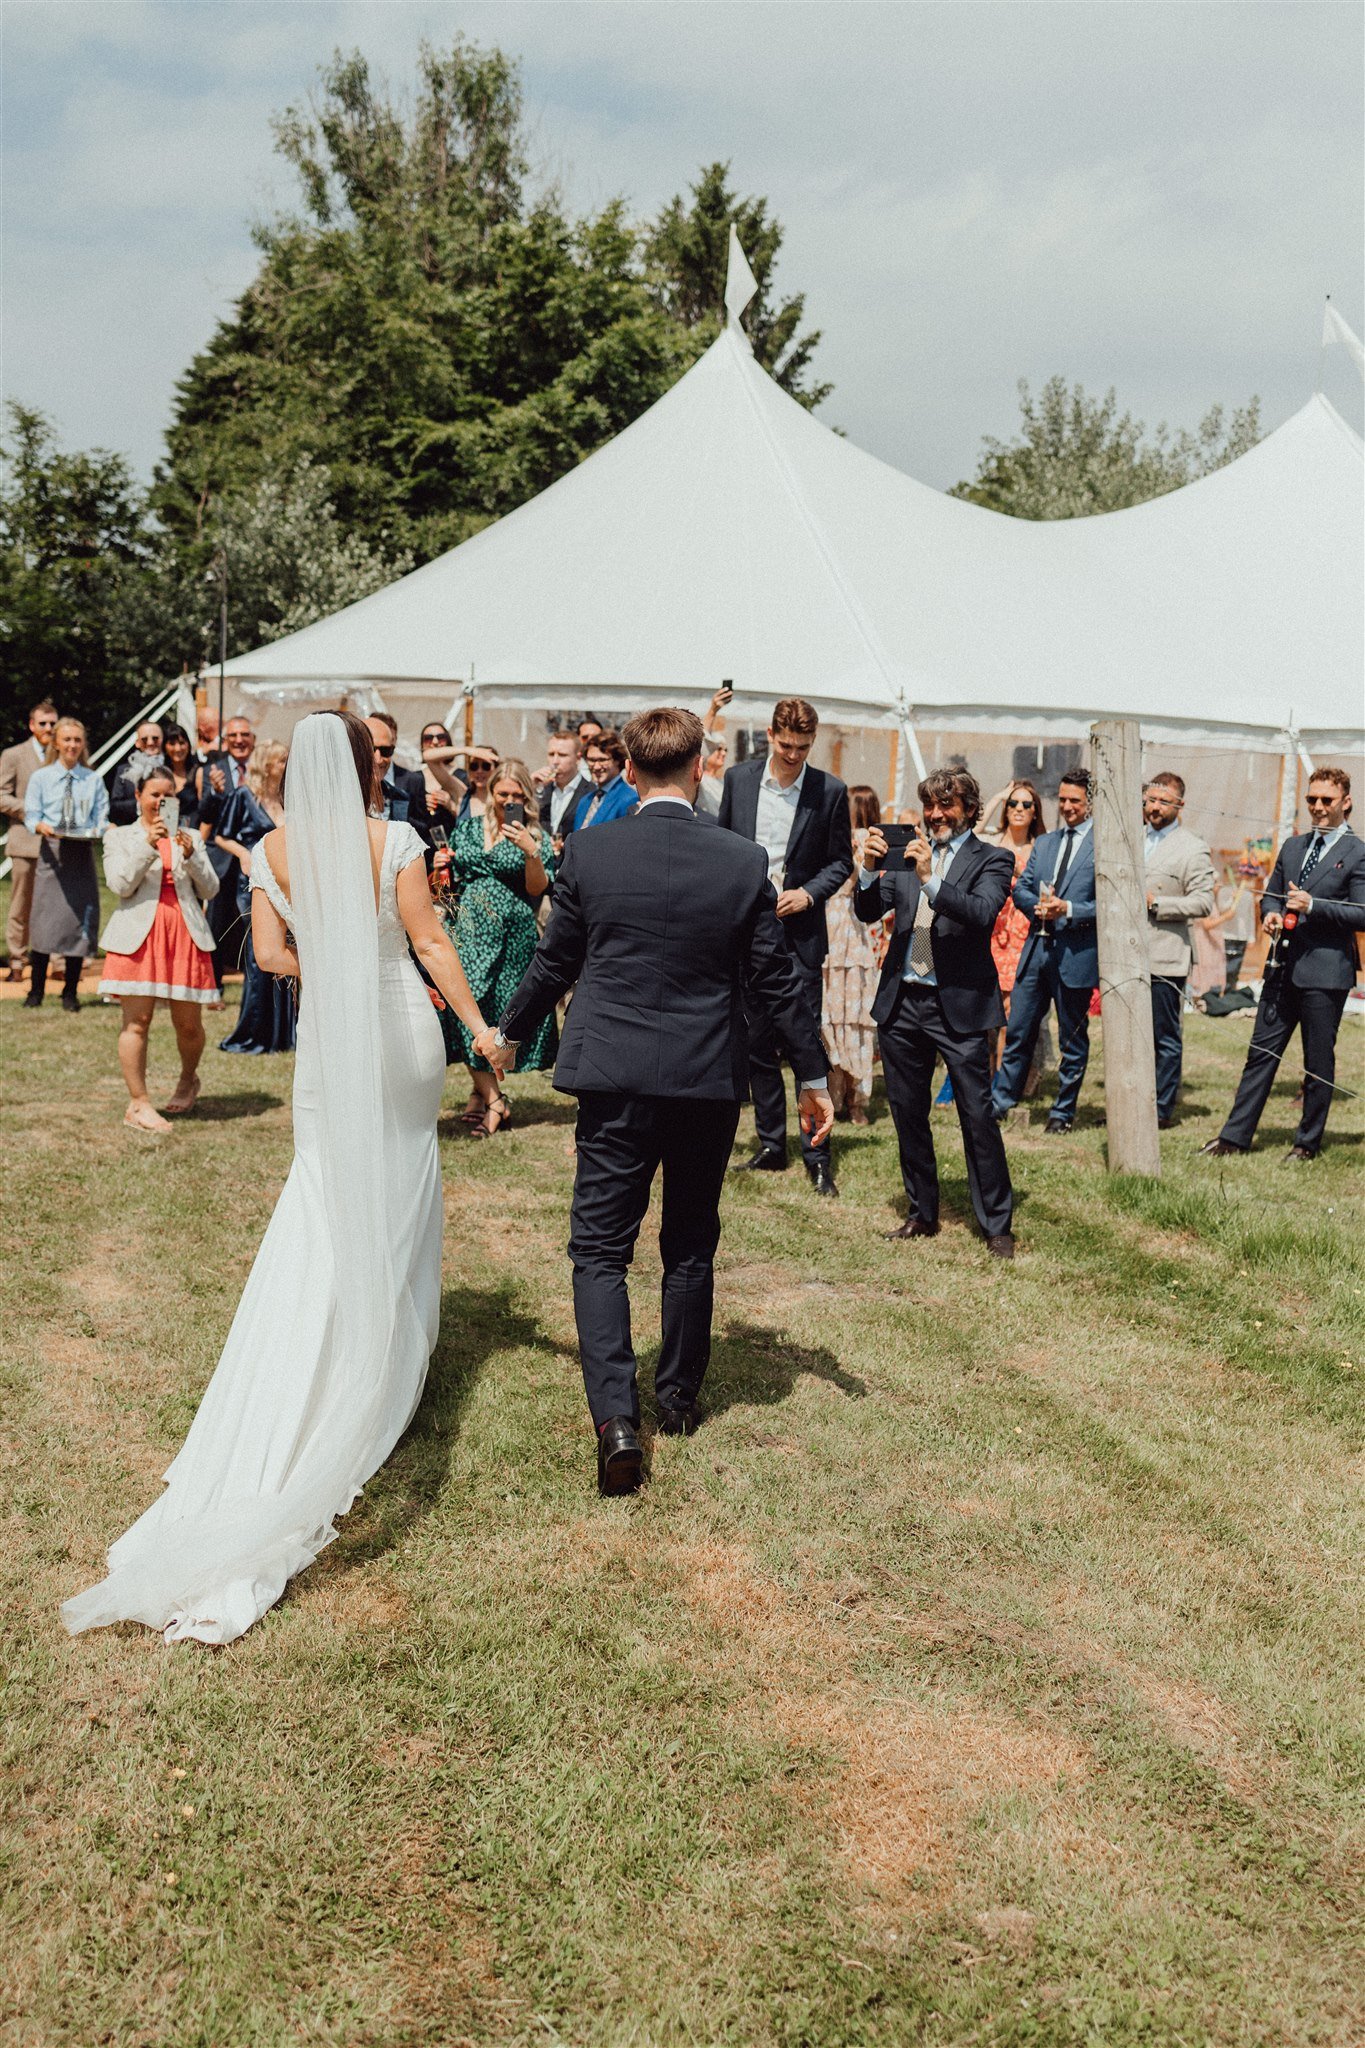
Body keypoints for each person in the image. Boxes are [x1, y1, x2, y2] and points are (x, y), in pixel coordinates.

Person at [63, 710, 494, 1644]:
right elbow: (428, 945)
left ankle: (332, 1344)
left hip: (330, 1041)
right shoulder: (398, 842)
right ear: (360, 767)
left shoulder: (271, 852)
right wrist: (481, 1031)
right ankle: (387, 1362)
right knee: (406, 1178)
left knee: (324, 1199)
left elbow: (263, 957)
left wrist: (331, 972)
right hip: (400, 1030)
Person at [486, 707, 832, 1493]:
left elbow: (552, 961)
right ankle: (675, 1398)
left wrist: (509, 1034)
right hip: (705, 1076)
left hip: (612, 1075)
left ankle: (616, 1419)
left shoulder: (593, 850)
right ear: (703, 766)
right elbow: (777, 980)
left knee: (600, 1250)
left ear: (632, 772)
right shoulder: (742, 860)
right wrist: (812, 1078)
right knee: (689, 1241)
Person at [856, 769, 1017, 1256]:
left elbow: (982, 913)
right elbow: (867, 911)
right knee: (908, 1113)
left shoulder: (994, 858)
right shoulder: (908, 854)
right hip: (903, 1003)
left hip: (959, 1006)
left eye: (946, 805)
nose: (935, 815)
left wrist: (930, 880)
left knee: (977, 1116)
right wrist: (866, 869)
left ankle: (996, 1225)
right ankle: (922, 1213)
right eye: (930, 805)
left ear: (970, 809)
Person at [719, 696, 852, 1196]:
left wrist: (809, 893)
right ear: (770, 737)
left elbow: (840, 862)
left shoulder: (830, 791)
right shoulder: (738, 780)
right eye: (786, 745)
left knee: (803, 1041)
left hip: (799, 934)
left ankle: (817, 1155)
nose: (794, 754)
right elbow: (725, 843)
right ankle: (772, 1144)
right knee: (753, 1042)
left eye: (803, 747)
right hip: (746, 929)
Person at [1202, 768, 1364, 1162]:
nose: (1318, 807)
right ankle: (1234, 1138)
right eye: (1312, 800)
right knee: (1260, 1054)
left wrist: (1315, 906)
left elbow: (1362, 913)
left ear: (1346, 802)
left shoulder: (1358, 852)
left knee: (1317, 1061)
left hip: (1326, 972)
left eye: (1327, 800)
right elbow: (1271, 896)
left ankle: (1306, 1144)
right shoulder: (1293, 847)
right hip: (1281, 967)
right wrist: (1272, 914)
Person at [98, 764, 220, 1130]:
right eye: (154, 794)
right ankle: (138, 1103)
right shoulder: (119, 838)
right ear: (138, 797)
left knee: (188, 1024)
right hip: (139, 934)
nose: (161, 801)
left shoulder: (191, 838)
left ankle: (188, 1078)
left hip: (184, 932)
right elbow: (120, 885)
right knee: (138, 1021)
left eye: (168, 796)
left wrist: (193, 855)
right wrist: (147, 844)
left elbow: (210, 890)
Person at [439, 758, 556, 1136]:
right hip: (470, 930)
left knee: (496, 1012)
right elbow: (454, 875)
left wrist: (529, 851)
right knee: (466, 1009)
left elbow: (539, 889)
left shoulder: (534, 834)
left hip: (512, 934)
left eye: (515, 795)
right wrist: (444, 862)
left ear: (527, 796)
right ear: (490, 792)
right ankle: (493, 1100)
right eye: (502, 793)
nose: (508, 800)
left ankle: (482, 1095)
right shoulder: (471, 827)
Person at [991, 769, 1097, 1134]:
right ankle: (1001, 1102)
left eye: (1075, 801)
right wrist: (1035, 905)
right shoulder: (1047, 843)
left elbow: (1112, 902)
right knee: (1018, 1030)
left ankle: (1062, 1112)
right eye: (1063, 800)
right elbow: (1020, 888)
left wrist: (1069, 909)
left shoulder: (1103, 845)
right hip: (1036, 950)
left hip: (1076, 955)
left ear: (1090, 803)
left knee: (1071, 1036)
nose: (1067, 807)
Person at [1142, 772, 1215, 1128]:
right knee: (1132, 1034)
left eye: (1163, 802)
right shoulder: (1131, 837)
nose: (1154, 807)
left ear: (1179, 805)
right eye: (1150, 800)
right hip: (1127, 954)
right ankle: (1133, 1101)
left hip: (1165, 955)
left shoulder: (1192, 847)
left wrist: (1158, 903)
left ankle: (1160, 1111)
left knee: (1164, 1037)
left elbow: (1203, 902)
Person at [215, 741, 296, 1055]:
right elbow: (222, 835)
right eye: (281, 761)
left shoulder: (290, 799)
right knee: (259, 953)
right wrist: (245, 855)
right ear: (266, 763)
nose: (285, 765)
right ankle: (254, 1031)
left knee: (287, 949)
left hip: (287, 883)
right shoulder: (244, 796)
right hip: (252, 884)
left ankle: (284, 1034)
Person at [23, 717, 108, 1010]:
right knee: (45, 920)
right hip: (53, 851)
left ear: (83, 744)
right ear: (56, 742)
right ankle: (36, 990)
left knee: (77, 920)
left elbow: (101, 817)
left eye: (77, 740)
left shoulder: (93, 779)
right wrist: (41, 826)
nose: (72, 745)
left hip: (81, 851)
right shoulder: (42, 777)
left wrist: (98, 830)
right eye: (67, 740)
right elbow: (31, 814)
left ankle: (70, 992)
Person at [822, 784, 887, 1123]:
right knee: (852, 1017)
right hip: (850, 926)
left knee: (834, 1016)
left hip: (839, 923)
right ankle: (854, 1100)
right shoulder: (857, 840)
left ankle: (838, 1095)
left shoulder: (856, 841)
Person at [979, 779, 1045, 1072]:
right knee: (982, 1010)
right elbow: (971, 831)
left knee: (1010, 1012)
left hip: (1021, 934)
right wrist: (997, 797)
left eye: (1026, 805)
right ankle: (975, 1076)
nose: (1019, 809)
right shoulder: (994, 842)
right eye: (1013, 804)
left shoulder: (1039, 848)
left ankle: (1001, 1081)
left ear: (1035, 812)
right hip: (992, 932)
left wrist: (1022, 872)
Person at [0, 698, 58, 980]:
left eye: (52, 723)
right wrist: (31, 810)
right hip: (25, 840)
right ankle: (17, 961)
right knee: (21, 904)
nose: (48, 728)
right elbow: (1, 795)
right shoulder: (14, 755)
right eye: (43, 723)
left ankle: (57, 962)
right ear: (32, 725)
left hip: (58, 843)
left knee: (55, 904)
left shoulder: (63, 753)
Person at [199, 713, 257, 977]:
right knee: (216, 920)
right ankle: (214, 983)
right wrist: (214, 793)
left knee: (252, 919)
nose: (239, 740)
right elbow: (205, 815)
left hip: (254, 855)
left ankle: (253, 977)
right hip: (221, 855)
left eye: (244, 734)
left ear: (253, 739)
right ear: (224, 741)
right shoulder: (213, 771)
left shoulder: (260, 769)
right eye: (233, 735)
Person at [364, 712, 434, 853]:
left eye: (386, 751)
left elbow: (423, 834)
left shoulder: (397, 794)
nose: (378, 759)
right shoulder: (339, 797)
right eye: (371, 749)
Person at [569, 730, 638, 830]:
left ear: (617, 760)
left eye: (602, 760)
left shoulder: (629, 799)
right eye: (592, 760)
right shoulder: (585, 800)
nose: (596, 767)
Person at [536, 731, 591, 850]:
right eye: (551, 754)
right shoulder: (541, 790)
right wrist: (530, 787)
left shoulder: (591, 792)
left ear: (578, 758)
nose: (555, 761)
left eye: (562, 755)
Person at [107, 720, 165, 826]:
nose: (150, 742)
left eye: (155, 738)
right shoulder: (124, 770)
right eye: (144, 739)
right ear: (137, 743)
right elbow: (115, 806)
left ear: (162, 740)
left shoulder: (170, 767)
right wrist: (143, 804)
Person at [417, 722, 468, 822]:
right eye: (428, 738)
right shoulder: (414, 778)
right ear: (422, 744)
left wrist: (451, 805)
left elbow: (471, 816)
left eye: (441, 737)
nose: (435, 742)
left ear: (448, 742)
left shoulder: (462, 776)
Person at [159, 722, 205, 831]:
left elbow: (205, 811)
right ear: (165, 747)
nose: (178, 748)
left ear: (188, 745)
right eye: (172, 743)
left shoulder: (198, 772)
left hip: (192, 831)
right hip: (166, 831)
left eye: (181, 743)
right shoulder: (161, 773)